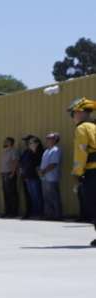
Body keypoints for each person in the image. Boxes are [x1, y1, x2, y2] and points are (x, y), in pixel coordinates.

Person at [69, 98, 96, 245]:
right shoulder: (94, 126)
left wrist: (77, 173)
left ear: (79, 112)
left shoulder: (82, 128)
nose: (72, 116)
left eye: (72, 113)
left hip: (93, 171)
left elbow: (81, 153)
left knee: (93, 204)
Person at [19, 135, 44, 219]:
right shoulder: (26, 151)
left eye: (29, 142)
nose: (27, 143)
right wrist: (22, 171)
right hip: (27, 177)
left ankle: (40, 213)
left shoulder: (39, 151)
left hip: (35, 176)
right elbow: (21, 162)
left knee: (37, 196)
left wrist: (34, 151)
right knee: (32, 196)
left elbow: (39, 163)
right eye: (27, 142)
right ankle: (33, 213)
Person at [40, 132, 63, 220]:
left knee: (54, 197)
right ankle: (49, 215)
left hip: (51, 177)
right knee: (46, 197)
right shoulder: (46, 150)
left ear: (55, 140)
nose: (47, 140)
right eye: (47, 138)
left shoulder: (56, 150)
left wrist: (44, 171)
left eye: (49, 138)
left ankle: (57, 215)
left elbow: (54, 164)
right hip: (44, 177)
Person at [0, 137, 21, 218]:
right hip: (4, 174)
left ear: (11, 142)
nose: (4, 142)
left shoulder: (13, 151)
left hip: (9, 174)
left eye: (6, 141)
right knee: (6, 193)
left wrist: (12, 173)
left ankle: (13, 212)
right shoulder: (5, 151)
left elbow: (15, 162)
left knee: (12, 193)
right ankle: (7, 211)